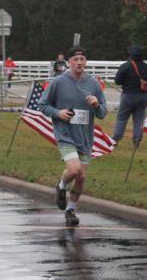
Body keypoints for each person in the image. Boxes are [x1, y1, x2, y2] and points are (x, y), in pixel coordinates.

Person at [38, 46, 108, 227]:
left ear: (86, 62)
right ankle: (61, 187)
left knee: (81, 177)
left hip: (85, 137)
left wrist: (96, 105)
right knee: (74, 169)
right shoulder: (58, 82)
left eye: (82, 59)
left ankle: (71, 210)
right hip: (65, 134)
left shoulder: (93, 83)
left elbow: (103, 112)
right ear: (69, 62)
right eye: (75, 60)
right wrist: (58, 113)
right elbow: (42, 105)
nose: (79, 63)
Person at [112, 45, 147, 145]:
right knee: (139, 119)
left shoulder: (125, 66)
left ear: (130, 54)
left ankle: (116, 139)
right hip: (143, 96)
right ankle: (137, 140)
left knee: (122, 118)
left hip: (128, 95)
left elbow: (117, 81)